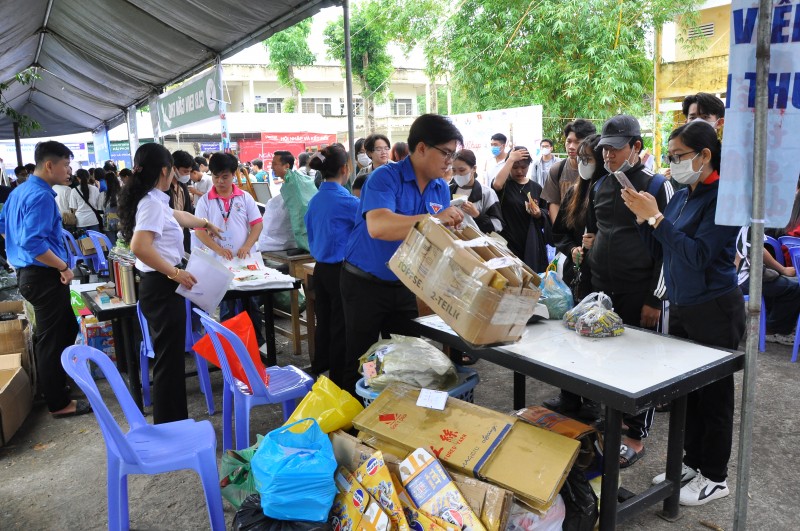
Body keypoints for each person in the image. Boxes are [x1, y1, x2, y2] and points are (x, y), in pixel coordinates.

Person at [622, 120, 744, 506]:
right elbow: (664, 249)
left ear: (705, 155)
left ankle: (715, 477)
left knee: (716, 396)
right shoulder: (682, 195)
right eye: (669, 157)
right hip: (685, 306)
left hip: (715, 307)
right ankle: (692, 463)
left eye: (679, 157)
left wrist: (657, 219)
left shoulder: (724, 198)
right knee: (690, 392)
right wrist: (643, 218)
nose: (672, 164)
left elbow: (698, 256)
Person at [340, 114, 465, 394]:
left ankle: (396, 424)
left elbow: (434, 238)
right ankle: (354, 427)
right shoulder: (385, 177)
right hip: (364, 284)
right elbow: (379, 226)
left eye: (453, 154)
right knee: (363, 360)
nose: (450, 161)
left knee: (408, 359)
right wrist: (434, 220)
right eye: (445, 153)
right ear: (421, 148)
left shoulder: (439, 188)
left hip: (403, 284)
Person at [586, 114, 674, 468]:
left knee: (641, 363)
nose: (608, 156)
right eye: (605, 149)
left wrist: (656, 298)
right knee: (608, 359)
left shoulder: (655, 187)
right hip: (602, 288)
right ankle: (614, 420)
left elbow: (668, 245)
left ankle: (636, 434)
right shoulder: (600, 185)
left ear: (636, 147)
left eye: (616, 149)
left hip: (641, 290)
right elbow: (595, 231)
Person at [118, 143, 221, 424]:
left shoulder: (154, 199)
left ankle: (174, 421)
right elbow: (140, 247)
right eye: (174, 172)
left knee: (171, 356)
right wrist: (174, 273)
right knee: (168, 359)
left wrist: (204, 223)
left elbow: (179, 217)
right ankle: (170, 423)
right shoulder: (151, 203)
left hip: (160, 285)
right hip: (162, 286)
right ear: (165, 170)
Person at [0, 141, 88, 418]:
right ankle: (58, 402)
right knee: (52, 339)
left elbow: (5, 228)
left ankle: (55, 387)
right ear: (49, 165)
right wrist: (63, 266)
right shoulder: (40, 196)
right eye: (65, 164)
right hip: (44, 275)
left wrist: (16, 257)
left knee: (61, 330)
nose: (69, 170)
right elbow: (33, 243)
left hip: (31, 273)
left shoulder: (19, 192)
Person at [544, 134, 605, 421]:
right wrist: (574, 248)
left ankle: (593, 401)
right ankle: (568, 396)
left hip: (602, 279)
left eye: (588, 159)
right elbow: (559, 234)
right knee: (567, 335)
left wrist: (597, 243)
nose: (581, 164)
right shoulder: (573, 192)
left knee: (594, 337)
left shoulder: (611, 191)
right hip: (574, 276)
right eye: (579, 158)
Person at [193, 153, 265, 344]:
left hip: (245, 260)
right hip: (220, 262)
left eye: (225, 176)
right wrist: (217, 248)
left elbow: (257, 224)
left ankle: (256, 343)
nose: (219, 181)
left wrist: (247, 245)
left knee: (252, 303)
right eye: (216, 177)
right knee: (226, 304)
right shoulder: (205, 201)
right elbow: (199, 231)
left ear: (233, 174)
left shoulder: (245, 198)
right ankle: (228, 345)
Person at [304, 145, 360, 384]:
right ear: (345, 169)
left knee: (323, 322)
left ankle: (320, 367)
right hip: (341, 272)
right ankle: (339, 380)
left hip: (320, 270)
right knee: (341, 327)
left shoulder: (315, 200)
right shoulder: (349, 202)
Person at [491, 147, 550, 272]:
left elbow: (546, 212)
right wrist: (510, 159)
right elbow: (496, 185)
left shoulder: (536, 187)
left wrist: (539, 213)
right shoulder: (504, 185)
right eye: (515, 167)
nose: (519, 171)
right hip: (508, 242)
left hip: (531, 242)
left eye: (523, 167)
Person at [541, 119, 597, 222]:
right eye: (569, 141)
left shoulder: (597, 170)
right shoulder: (557, 169)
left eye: (577, 142)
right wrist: (558, 231)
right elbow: (554, 203)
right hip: (564, 230)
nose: (571, 147)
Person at [450, 149, 504, 234]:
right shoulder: (448, 190)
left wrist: (477, 215)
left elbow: (498, 225)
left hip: (476, 244)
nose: (458, 174)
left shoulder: (487, 193)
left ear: (474, 168)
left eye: (462, 170)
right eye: (454, 170)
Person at [169, 150, 195, 252]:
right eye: (185, 171)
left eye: (189, 171)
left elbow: (187, 212)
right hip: (169, 239)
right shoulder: (164, 190)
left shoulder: (183, 187)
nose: (188, 175)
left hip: (183, 236)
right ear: (174, 169)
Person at [69, 168, 102, 232]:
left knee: (83, 241)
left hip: (81, 221)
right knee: (96, 241)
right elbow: (99, 205)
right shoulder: (95, 189)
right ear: (89, 177)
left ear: (78, 178)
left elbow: (74, 208)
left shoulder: (74, 191)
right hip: (93, 219)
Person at [99, 170, 121, 242]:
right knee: (122, 243)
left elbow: (100, 209)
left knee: (111, 243)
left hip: (108, 223)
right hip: (121, 221)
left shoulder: (103, 194)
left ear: (106, 182)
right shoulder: (122, 193)